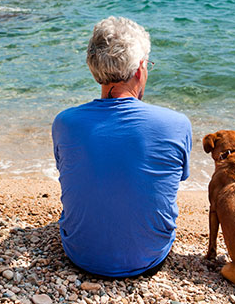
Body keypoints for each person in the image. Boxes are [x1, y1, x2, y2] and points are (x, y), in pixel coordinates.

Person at [51, 16, 192, 278]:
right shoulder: (176, 124)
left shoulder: (64, 122)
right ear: (140, 70)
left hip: (81, 253)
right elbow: (171, 181)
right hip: (149, 256)